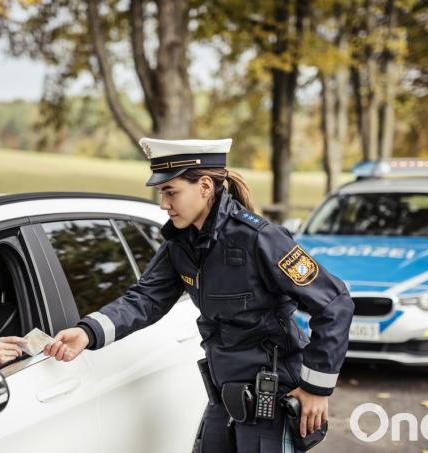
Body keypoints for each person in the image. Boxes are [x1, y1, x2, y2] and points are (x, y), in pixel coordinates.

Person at [44, 137, 355, 453]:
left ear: (205, 186)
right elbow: (145, 299)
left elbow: (335, 303)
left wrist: (317, 388)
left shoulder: (260, 239)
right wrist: (88, 332)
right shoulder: (180, 245)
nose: (164, 204)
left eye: (170, 192)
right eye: (162, 194)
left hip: (271, 401)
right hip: (224, 400)